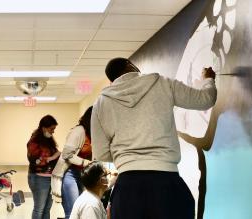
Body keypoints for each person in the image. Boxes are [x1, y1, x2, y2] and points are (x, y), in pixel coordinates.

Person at [91, 57, 217, 219]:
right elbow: (205, 99)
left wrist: (127, 157)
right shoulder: (162, 83)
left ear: (111, 80)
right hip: (167, 181)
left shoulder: (100, 104)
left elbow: (101, 153)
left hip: (127, 188)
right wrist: (208, 80)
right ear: (131, 65)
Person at [51, 106, 94, 219]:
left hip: (82, 175)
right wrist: (85, 162)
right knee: (72, 213)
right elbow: (67, 155)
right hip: (69, 174)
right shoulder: (79, 131)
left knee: (82, 212)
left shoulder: (92, 134)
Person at [27, 115, 61, 219]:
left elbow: (57, 153)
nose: (53, 132)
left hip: (50, 178)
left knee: (47, 208)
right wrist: (51, 158)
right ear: (44, 127)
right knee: (39, 209)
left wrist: (53, 156)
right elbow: (36, 161)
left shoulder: (49, 140)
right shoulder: (34, 141)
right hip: (39, 178)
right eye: (52, 129)